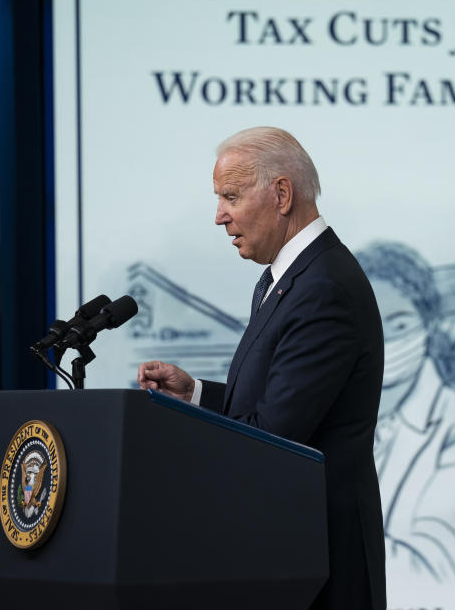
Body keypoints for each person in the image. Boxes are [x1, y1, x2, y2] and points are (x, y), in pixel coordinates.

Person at [136, 127, 386, 610]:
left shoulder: (323, 287)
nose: (219, 216)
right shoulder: (288, 276)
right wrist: (196, 396)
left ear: (282, 194)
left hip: (318, 566)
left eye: (230, 196)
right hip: (289, 553)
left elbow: (273, 439)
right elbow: (275, 404)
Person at [356, 241, 455, 585]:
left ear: (429, 326)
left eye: (400, 324)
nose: (384, 338)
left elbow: (434, 566)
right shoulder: (341, 410)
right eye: (369, 320)